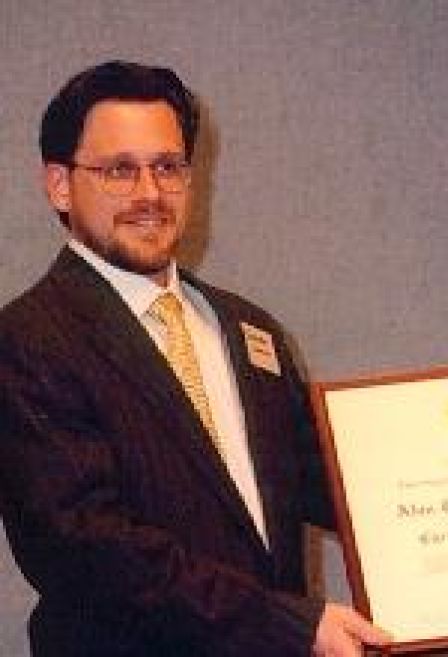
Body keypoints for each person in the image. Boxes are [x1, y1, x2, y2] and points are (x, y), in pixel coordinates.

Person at [0, 61, 389, 657]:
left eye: (167, 167)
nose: (149, 194)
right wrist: (284, 624)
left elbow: (336, 480)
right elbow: (87, 548)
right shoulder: (29, 340)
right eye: (118, 171)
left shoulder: (248, 328)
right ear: (59, 184)